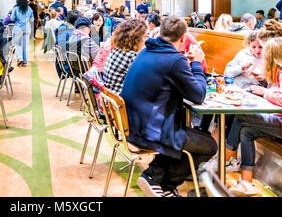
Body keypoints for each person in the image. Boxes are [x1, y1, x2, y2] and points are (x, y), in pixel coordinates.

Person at [121, 16, 217, 197]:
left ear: (161, 32)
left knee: (195, 135)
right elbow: (198, 95)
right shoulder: (174, 60)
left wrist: (183, 62)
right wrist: (196, 63)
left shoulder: (147, 50)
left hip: (132, 124)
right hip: (150, 130)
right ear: (183, 38)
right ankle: (158, 180)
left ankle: (161, 183)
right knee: (209, 145)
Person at [221, 37, 282, 196]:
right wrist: (264, 83)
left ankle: (224, 160)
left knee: (241, 116)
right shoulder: (277, 72)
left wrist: (265, 92)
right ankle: (246, 183)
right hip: (277, 118)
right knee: (246, 131)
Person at [103, 18, 147, 94]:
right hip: (124, 102)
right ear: (136, 39)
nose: (147, 39)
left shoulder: (115, 51)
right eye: (145, 36)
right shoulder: (131, 57)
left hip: (113, 100)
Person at [11, 0, 34, 67]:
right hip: (27, 28)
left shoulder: (15, 8)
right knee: (25, 45)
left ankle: (19, 57)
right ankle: (25, 62)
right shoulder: (29, 9)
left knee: (15, 43)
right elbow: (32, 19)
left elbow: (12, 18)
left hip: (18, 28)